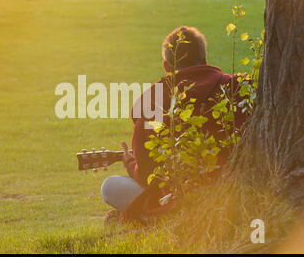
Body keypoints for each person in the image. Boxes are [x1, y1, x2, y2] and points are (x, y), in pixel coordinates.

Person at [101, 26, 247, 222]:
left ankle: (158, 218)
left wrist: (129, 163)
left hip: (177, 199)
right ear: (204, 60)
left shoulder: (153, 101)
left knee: (110, 186)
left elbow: (147, 174)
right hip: (234, 191)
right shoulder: (236, 87)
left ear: (167, 67)